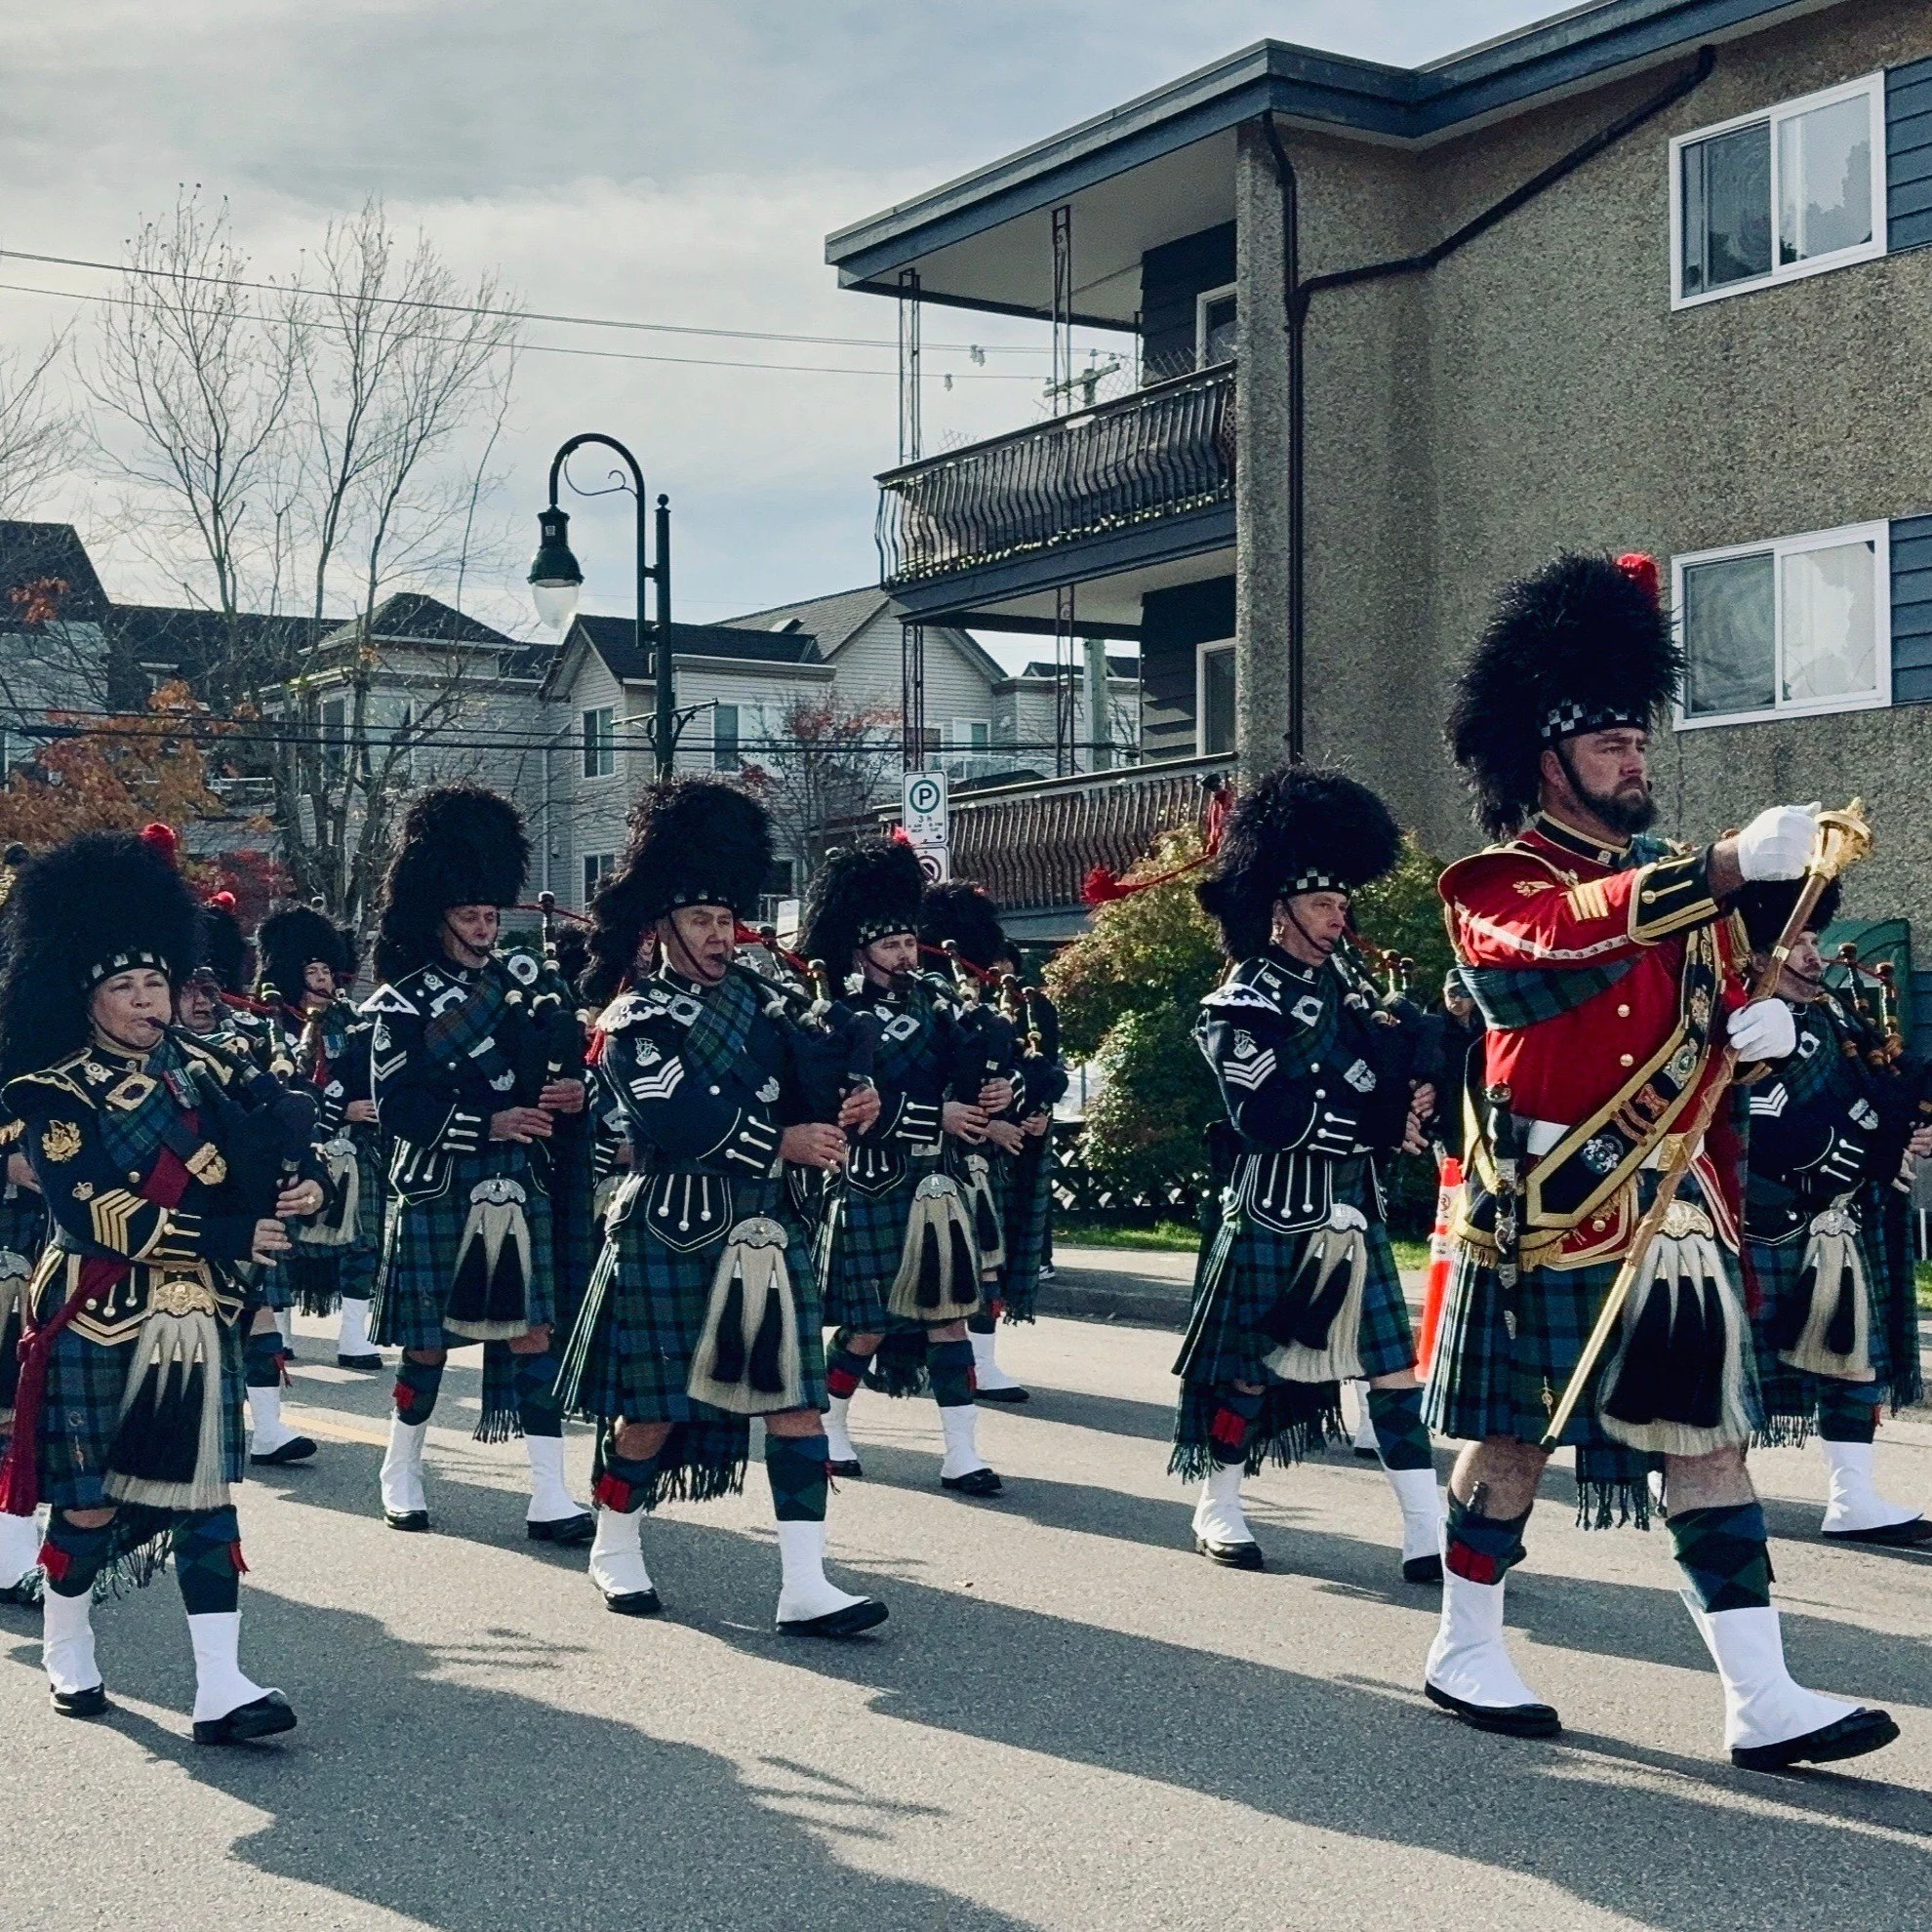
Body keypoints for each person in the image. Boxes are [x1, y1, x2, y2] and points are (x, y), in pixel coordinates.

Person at [1424, 548, 1896, 1772]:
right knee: (1514, 1443)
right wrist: (1724, 870)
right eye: (1612, 744)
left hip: (1680, 1212)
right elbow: (1541, 958)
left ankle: (1763, 1696)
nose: (1638, 760)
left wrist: (1768, 1032)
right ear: (1549, 759)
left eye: (1642, 740)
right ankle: (1465, 1643)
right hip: (1556, 1205)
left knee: (1711, 1446)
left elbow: (1713, 1035)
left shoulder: (1671, 887)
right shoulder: (1498, 883)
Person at [0, 825, 322, 1739]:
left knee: (208, 1502)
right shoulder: (54, 1094)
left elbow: (285, 1147)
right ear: (88, 997)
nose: (147, 1002)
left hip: (197, 1317)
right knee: (91, 1502)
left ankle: (220, 1685)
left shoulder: (217, 1069)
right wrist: (225, 1233)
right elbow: (92, 1210)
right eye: (125, 988)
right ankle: (69, 1647)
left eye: (156, 984)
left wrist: (307, 1183)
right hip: (99, 1310)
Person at [558, 779, 888, 1636]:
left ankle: (805, 1584)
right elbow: (678, 1118)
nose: (716, 933)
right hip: (670, 1222)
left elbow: (820, 1072)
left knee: (797, 1405)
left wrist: (853, 1100)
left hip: (763, 1234)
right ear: (661, 927)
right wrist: (781, 1141)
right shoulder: (636, 1019)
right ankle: (615, 1545)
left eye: (723, 917)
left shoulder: (770, 1001)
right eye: (698, 919)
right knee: (649, 1414)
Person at [1176, 765, 1441, 1582]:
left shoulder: (1353, 990)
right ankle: (1218, 1500)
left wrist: (1414, 1092)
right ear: (1281, 908)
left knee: (1395, 1371)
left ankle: (1427, 1529)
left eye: (1341, 904)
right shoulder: (1243, 998)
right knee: (1249, 1370)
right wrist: (1373, 1116)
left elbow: (1371, 1083)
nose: (1339, 918)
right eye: (1324, 905)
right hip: (1273, 1209)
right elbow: (1270, 1116)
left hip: (1351, 1214)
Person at [367, 785, 593, 1546]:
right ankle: (400, 1471)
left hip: (516, 1179)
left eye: (492, 915)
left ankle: (551, 1494)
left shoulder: (528, 990)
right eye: (471, 916)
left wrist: (572, 1092)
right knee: (427, 1343)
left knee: (534, 1332)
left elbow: (562, 1073)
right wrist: (485, 1120)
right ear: (438, 918)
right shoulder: (401, 1004)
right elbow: (397, 1106)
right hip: (443, 1179)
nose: (485, 928)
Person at [1734, 879, 1932, 1544]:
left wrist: (1904, 1135)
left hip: (1839, 1217)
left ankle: (1854, 1497)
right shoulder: (1739, 1020)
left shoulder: (1837, 1012)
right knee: (1735, 1360)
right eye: (1799, 944)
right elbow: (1750, 1122)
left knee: (1853, 1355)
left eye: (1816, 941)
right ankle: (1690, 1478)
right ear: (1757, 956)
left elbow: (1881, 1091)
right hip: (1764, 1216)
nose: (1814, 957)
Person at [810, 843, 1007, 1497]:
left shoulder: (937, 1000)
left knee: (949, 1317)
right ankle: (833, 1427)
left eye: (907, 941)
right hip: (870, 1180)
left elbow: (970, 1073)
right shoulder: (836, 1010)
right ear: (861, 949)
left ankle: (962, 1452)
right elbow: (852, 1108)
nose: (903, 955)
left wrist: (998, 1093)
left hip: (938, 1184)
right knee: (866, 1323)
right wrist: (938, 1117)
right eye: (889, 945)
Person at [921, 883, 1065, 1404]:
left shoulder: (1017, 1005)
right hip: (943, 1152)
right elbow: (934, 1084)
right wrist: (992, 1123)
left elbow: (1044, 1069)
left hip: (1001, 1155)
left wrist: (1029, 1102)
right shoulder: (928, 1002)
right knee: (950, 1270)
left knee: (990, 1263)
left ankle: (980, 1362)